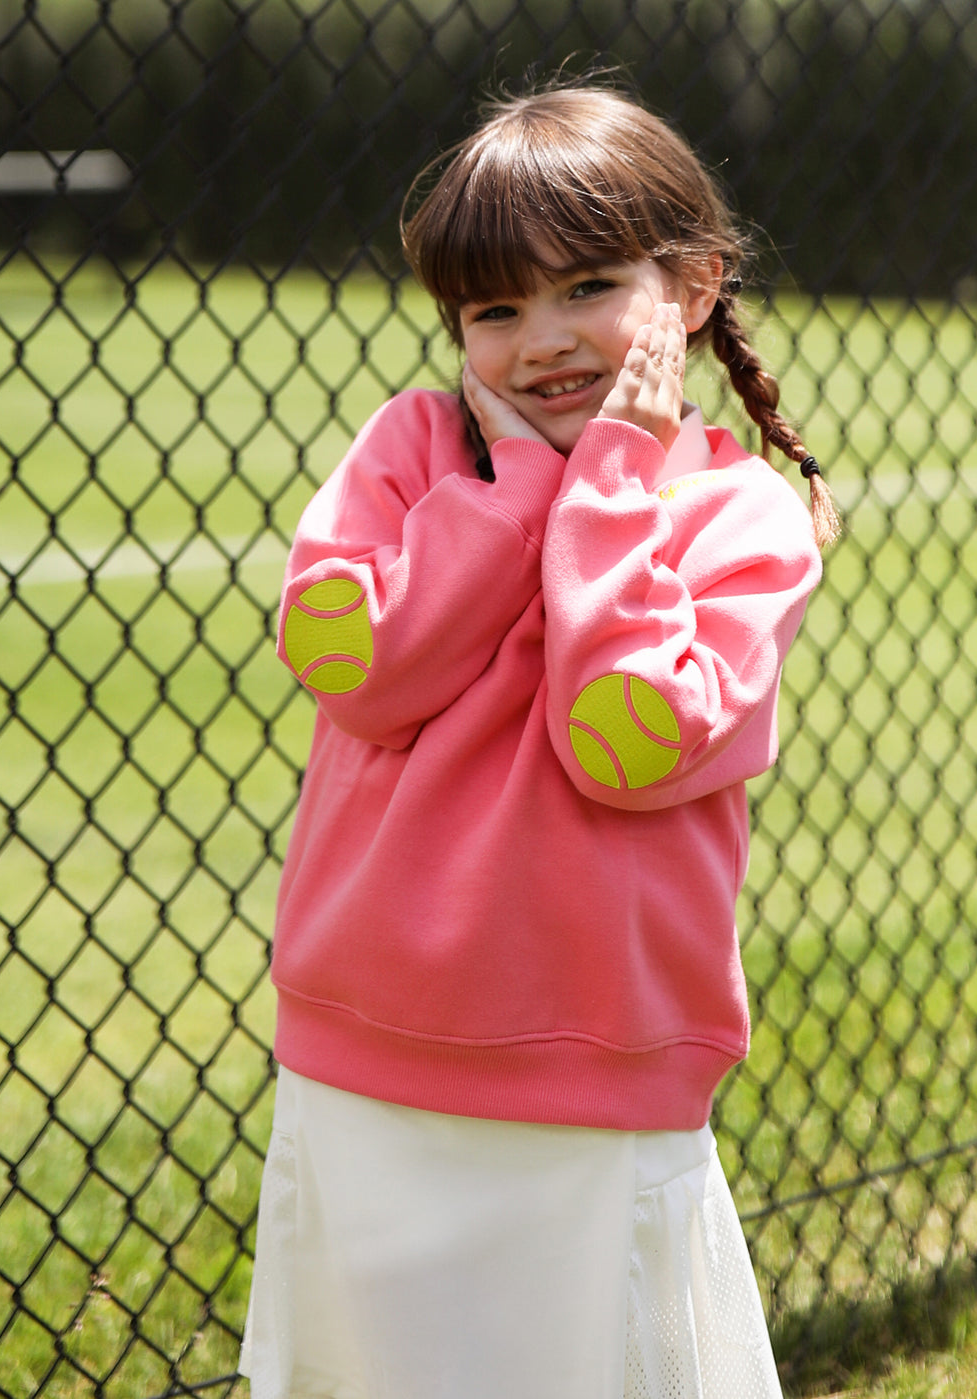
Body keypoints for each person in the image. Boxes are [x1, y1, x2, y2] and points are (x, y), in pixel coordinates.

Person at [238, 79, 837, 1399]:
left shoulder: (742, 523)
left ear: (692, 287)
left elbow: (623, 744)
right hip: (365, 1067)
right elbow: (362, 668)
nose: (542, 340)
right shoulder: (408, 453)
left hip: (597, 1079)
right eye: (495, 309)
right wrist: (510, 502)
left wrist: (610, 482)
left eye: (587, 289)